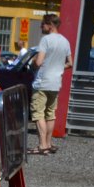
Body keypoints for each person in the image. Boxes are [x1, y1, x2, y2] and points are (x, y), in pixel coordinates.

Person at [30, 12, 72, 155]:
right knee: (50, 114)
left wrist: (33, 62)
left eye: (43, 24)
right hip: (55, 83)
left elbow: (39, 62)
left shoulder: (45, 40)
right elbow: (70, 63)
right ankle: (48, 143)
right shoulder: (65, 41)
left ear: (50, 25)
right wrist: (58, 67)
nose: (41, 26)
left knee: (38, 113)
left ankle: (42, 145)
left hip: (42, 82)